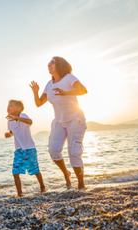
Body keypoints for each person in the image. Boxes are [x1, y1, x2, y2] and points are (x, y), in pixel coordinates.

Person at [29, 57, 88, 190]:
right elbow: (39, 103)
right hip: (59, 122)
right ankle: (66, 174)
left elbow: (83, 90)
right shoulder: (49, 84)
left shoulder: (69, 78)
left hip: (75, 119)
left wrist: (65, 92)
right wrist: (35, 92)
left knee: (73, 153)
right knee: (53, 150)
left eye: (52, 62)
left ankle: (81, 184)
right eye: (48, 62)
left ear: (59, 65)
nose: (48, 64)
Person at [5, 100, 46, 197]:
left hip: (29, 149)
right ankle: (20, 193)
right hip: (18, 149)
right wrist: (9, 134)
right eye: (8, 106)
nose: (8, 108)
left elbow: (30, 121)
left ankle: (42, 187)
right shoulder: (9, 121)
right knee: (15, 172)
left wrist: (16, 117)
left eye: (11, 106)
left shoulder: (23, 116)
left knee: (35, 170)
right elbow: (12, 132)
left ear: (18, 109)